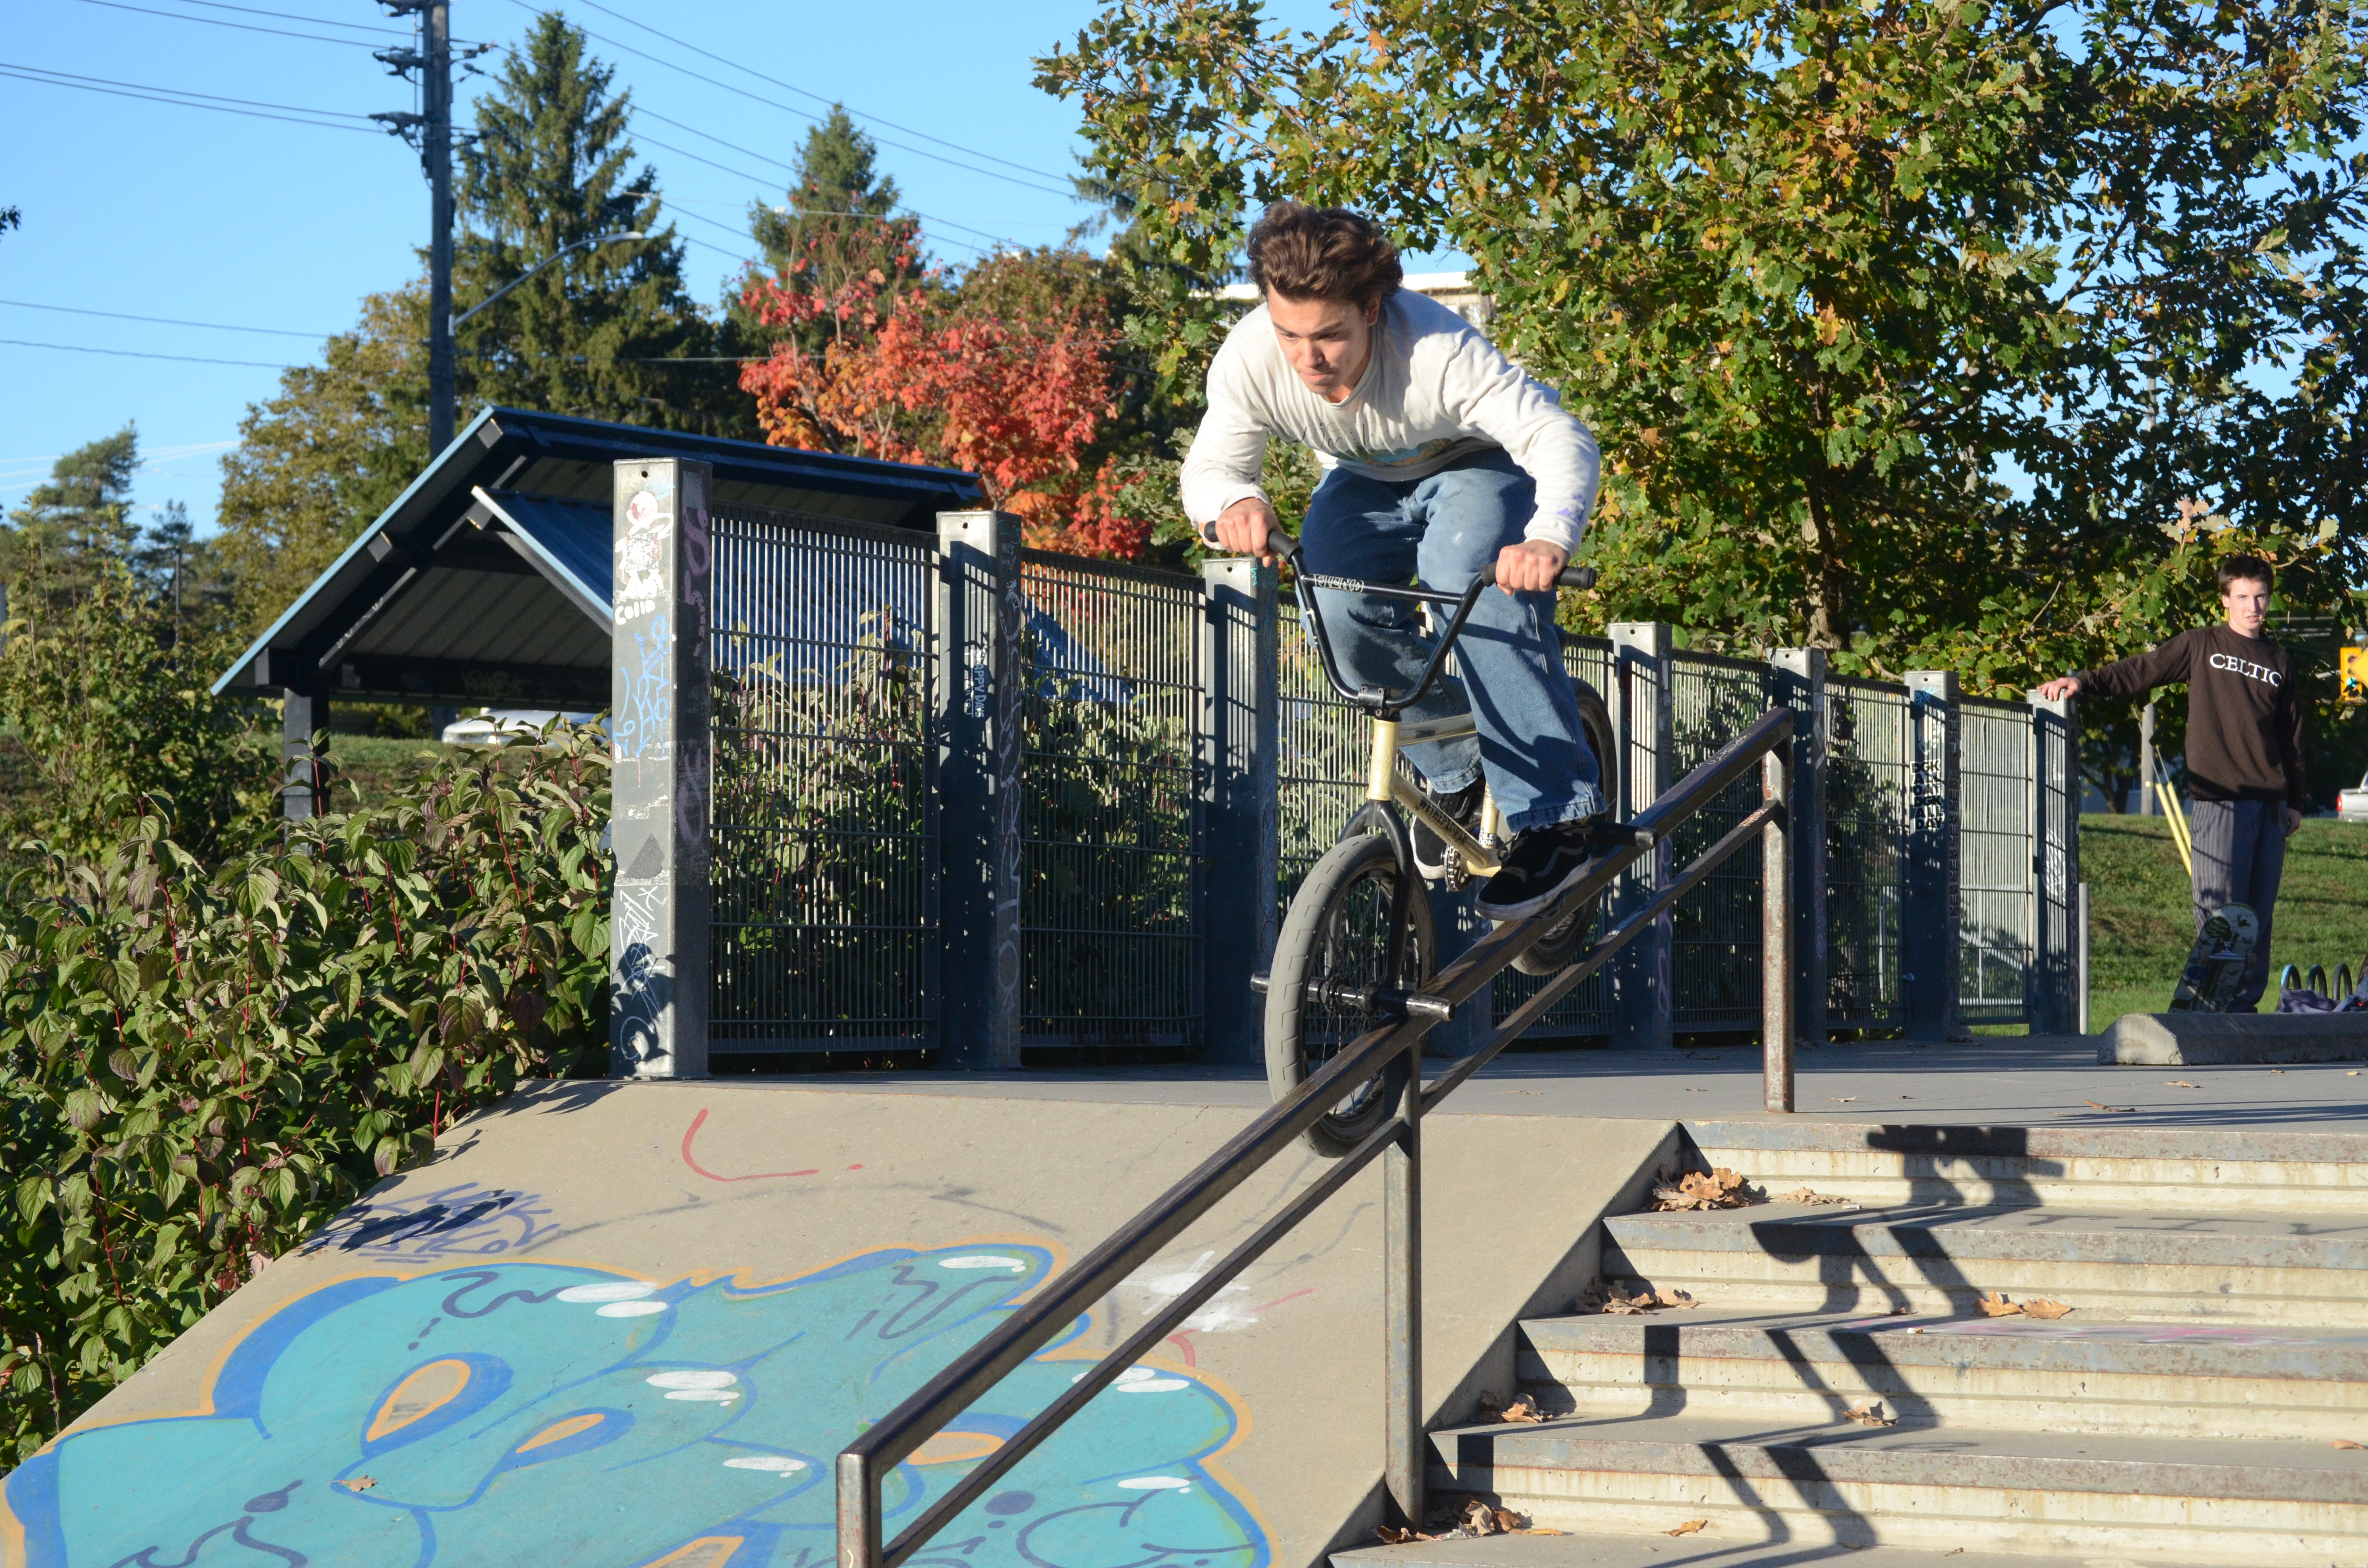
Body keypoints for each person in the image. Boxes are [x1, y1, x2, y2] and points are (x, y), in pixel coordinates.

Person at [1183, 201, 1606, 923]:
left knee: (1467, 575)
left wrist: (1547, 539)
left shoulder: (1437, 349)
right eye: (1291, 335)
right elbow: (1213, 467)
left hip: (1476, 463)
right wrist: (1233, 504)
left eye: (1331, 337)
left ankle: (1557, 819)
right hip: (1364, 482)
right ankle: (1456, 766)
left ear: (1373, 310)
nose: (1310, 360)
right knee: (1335, 604)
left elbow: (1557, 435)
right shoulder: (1253, 355)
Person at [2034, 554, 2307, 1010]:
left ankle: (2244, 1009)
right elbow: (2143, 669)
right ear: (2225, 601)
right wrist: (2083, 681)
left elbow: (2292, 736)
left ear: (2269, 599)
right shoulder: (2202, 646)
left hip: (2273, 804)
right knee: (2221, 910)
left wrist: (2296, 800)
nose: (2252, 606)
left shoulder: (2280, 661)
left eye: (2260, 597)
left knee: (2259, 914)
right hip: (2222, 799)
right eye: (2242, 597)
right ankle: (2210, 1002)